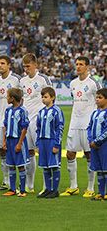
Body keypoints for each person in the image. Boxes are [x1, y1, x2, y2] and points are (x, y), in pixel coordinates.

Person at [61, 56, 102, 197]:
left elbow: (102, 100)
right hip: (74, 123)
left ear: (87, 67)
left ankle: (90, 188)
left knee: (89, 154)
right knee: (70, 153)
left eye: (81, 64)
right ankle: (73, 186)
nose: (78, 67)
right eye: (76, 64)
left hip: (88, 125)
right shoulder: (72, 83)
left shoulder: (93, 83)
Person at [20, 53, 52, 193]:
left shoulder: (43, 79)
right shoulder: (22, 81)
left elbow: (51, 98)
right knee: (29, 152)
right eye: (24, 66)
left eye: (28, 66)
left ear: (35, 65)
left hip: (39, 121)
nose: (26, 69)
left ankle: (46, 186)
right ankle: (30, 185)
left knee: (43, 152)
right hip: (27, 121)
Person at [0, 55, 21, 190]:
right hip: (0, 120)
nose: (0, 66)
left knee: (15, 151)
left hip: (13, 121)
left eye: (2, 63)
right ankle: (6, 181)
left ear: (9, 65)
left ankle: (21, 181)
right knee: (1, 151)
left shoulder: (16, 80)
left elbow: (22, 99)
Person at [36, 87, 64, 199]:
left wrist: (57, 144)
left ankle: (55, 190)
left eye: (46, 97)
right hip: (43, 142)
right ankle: (48, 189)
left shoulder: (57, 111)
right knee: (45, 166)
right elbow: (38, 128)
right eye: (42, 97)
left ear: (52, 97)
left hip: (52, 141)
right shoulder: (41, 112)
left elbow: (60, 127)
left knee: (54, 166)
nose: (43, 99)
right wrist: (37, 143)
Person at [2, 88, 30, 197]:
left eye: (8, 96)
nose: (7, 98)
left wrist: (19, 143)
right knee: (11, 165)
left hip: (18, 141)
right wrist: (4, 141)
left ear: (12, 98)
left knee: (21, 165)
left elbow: (24, 128)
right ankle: (12, 189)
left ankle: (22, 190)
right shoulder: (8, 111)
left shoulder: (22, 111)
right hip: (9, 141)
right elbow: (5, 126)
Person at [87, 88, 107, 201]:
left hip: (103, 145)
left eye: (100, 97)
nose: (97, 100)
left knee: (106, 168)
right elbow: (89, 127)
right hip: (94, 145)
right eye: (96, 97)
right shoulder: (94, 113)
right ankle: (101, 192)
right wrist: (90, 140)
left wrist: (97, 141)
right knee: (99, 169)